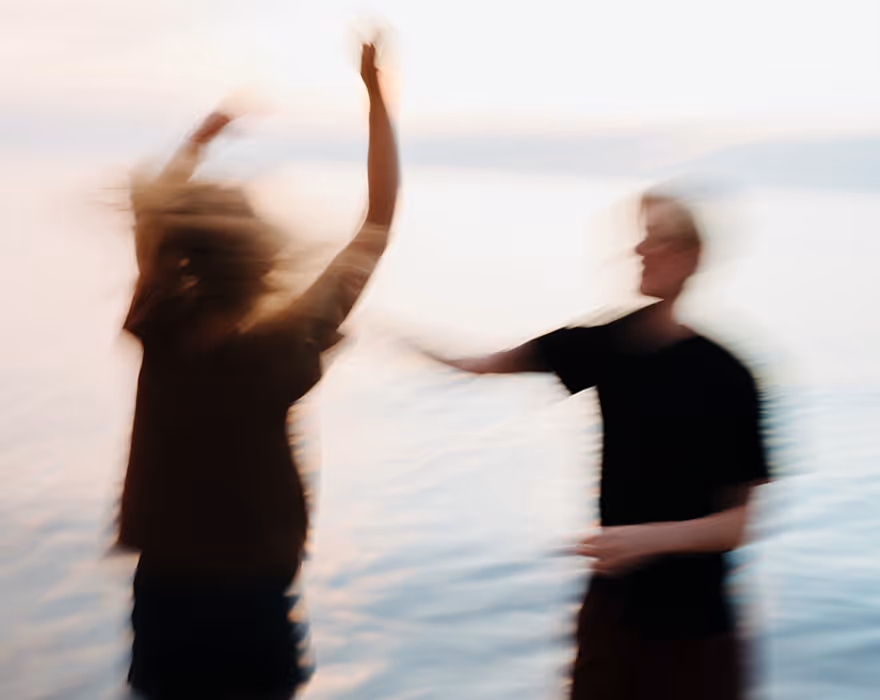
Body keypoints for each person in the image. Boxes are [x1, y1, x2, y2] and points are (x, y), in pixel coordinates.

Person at [115, 41, 398, 700]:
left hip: (168, 593)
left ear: (188, 259)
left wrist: (201, 138)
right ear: (262, 265)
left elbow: (154, 212)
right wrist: (375, 94)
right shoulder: (285, 343)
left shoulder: (164, 327)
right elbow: (379, 217)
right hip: (254, 594)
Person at [418, 191, 768, 700]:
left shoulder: (727, 374)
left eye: (659, 239)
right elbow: (485, 363)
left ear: (693, 257)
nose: (642, 250)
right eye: (641, 237)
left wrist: (645, 539)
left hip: (696, 628)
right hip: (613, 615)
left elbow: (740, 523)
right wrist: (405, 342)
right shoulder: (608, 342)